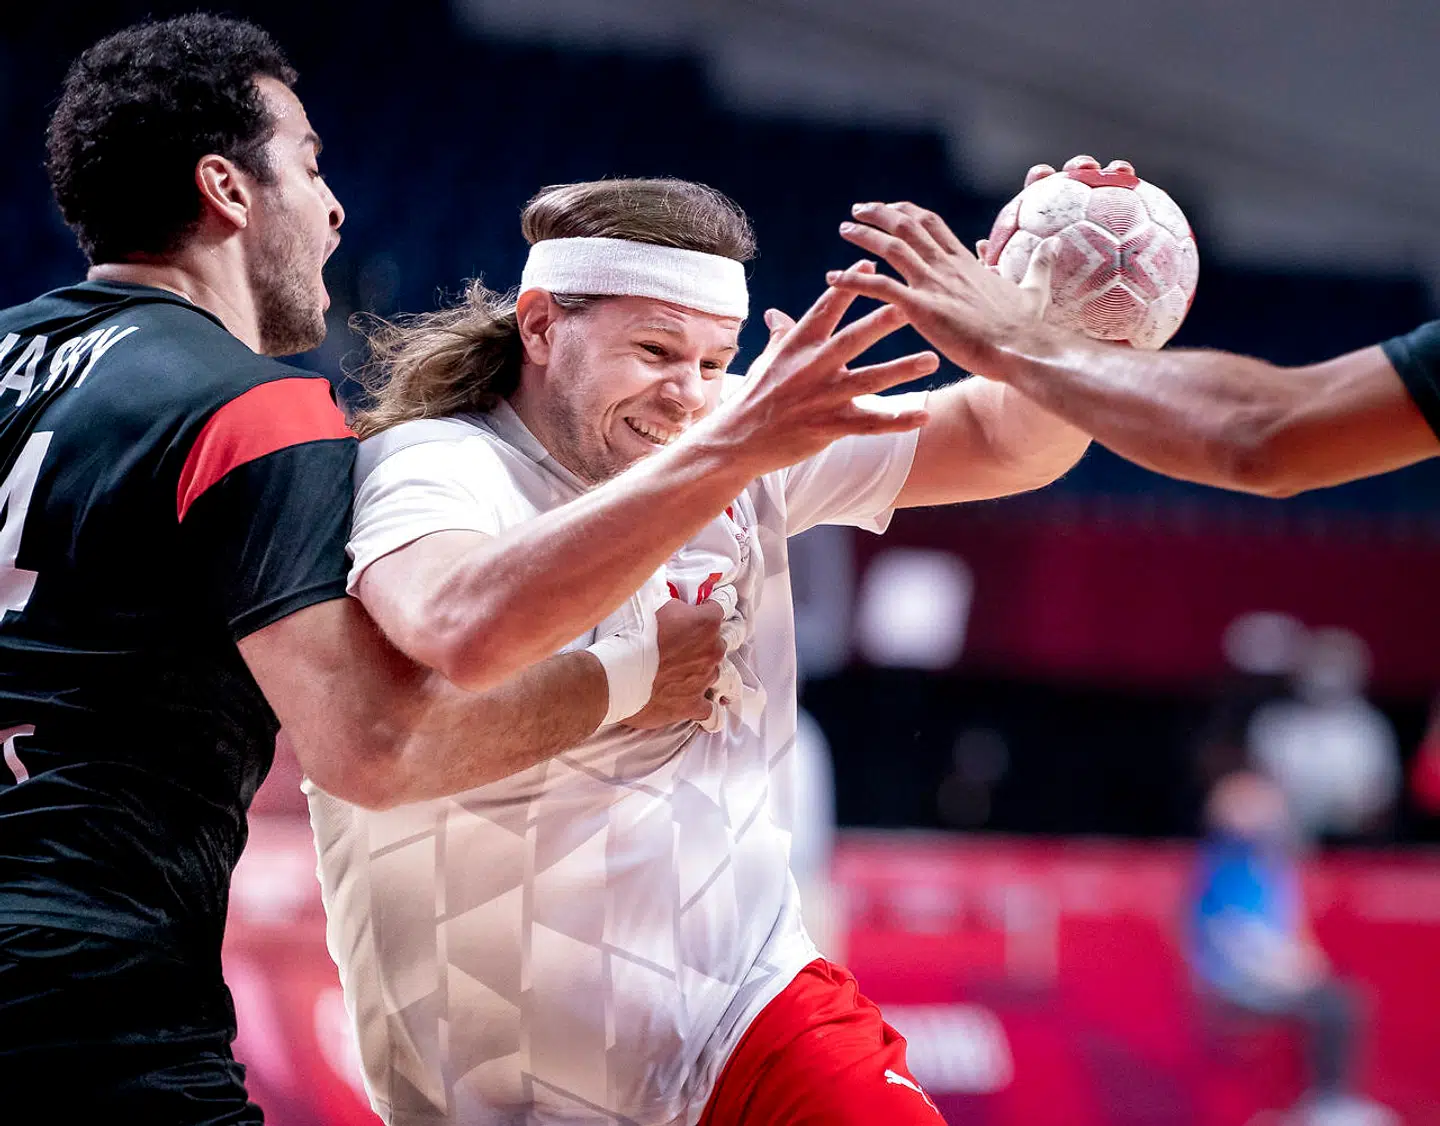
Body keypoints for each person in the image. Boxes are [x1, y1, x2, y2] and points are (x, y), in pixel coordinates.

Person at [0, 18, 920, 1122]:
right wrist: (634, 676)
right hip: (83, 984)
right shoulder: (253, 411)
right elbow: (378, 748)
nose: (334, 209)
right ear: (226, 191)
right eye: (309, 165)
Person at [310, 175, 1091, 1125]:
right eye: (654, 351)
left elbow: (1006, 442)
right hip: (500, 1076)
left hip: (747, 1012)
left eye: (716, 360)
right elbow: (459, 628)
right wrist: (724, 468)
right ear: (542, 324)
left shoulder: (738, 427)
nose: (687, 395)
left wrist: (1056, 327)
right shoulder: (435, 463)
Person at [826, 155, 1440, 496]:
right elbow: (996, 441)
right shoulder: (782, 442)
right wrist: (1067, 329)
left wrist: (1022, 338)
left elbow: (1262, 434)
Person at [1189, 772, 1392, 1126]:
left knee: (1341, 996)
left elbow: (1291, 935)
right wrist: (1287, 973)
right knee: (1334, 1005)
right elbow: (1233, 942)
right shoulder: (1222, 868)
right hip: (1235, 986)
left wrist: (1306, 966)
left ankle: (1326, 1101)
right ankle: (1328, 1104)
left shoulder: (1271, 869)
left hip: (1272, 979)